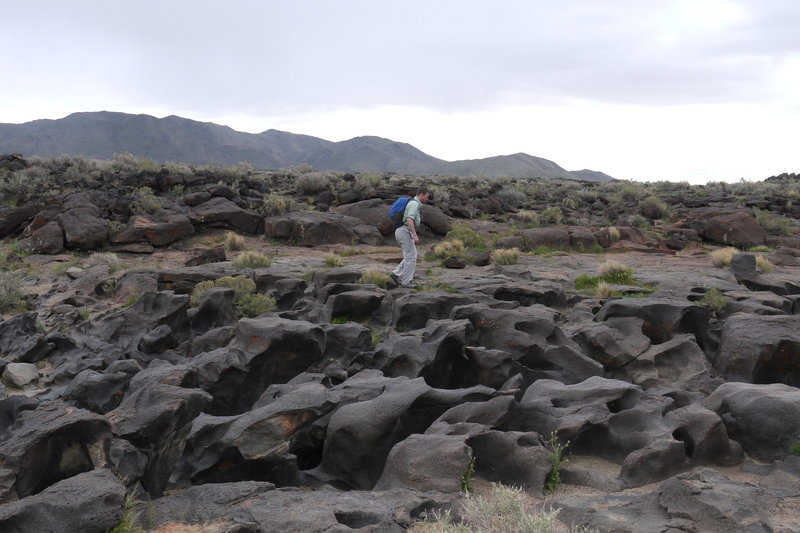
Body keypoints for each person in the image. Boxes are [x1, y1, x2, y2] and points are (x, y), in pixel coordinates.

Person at [390, 187, 430, 287]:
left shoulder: (413, 203)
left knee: (411, 255)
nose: (427, 199)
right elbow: (409, 219)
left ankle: (396, 274)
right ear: (421, 195)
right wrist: (415, 235)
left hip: (402, 231)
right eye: (426, 196)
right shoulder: (414, 204)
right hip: (404, 231)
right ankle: (406, 282)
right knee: (411, 256)